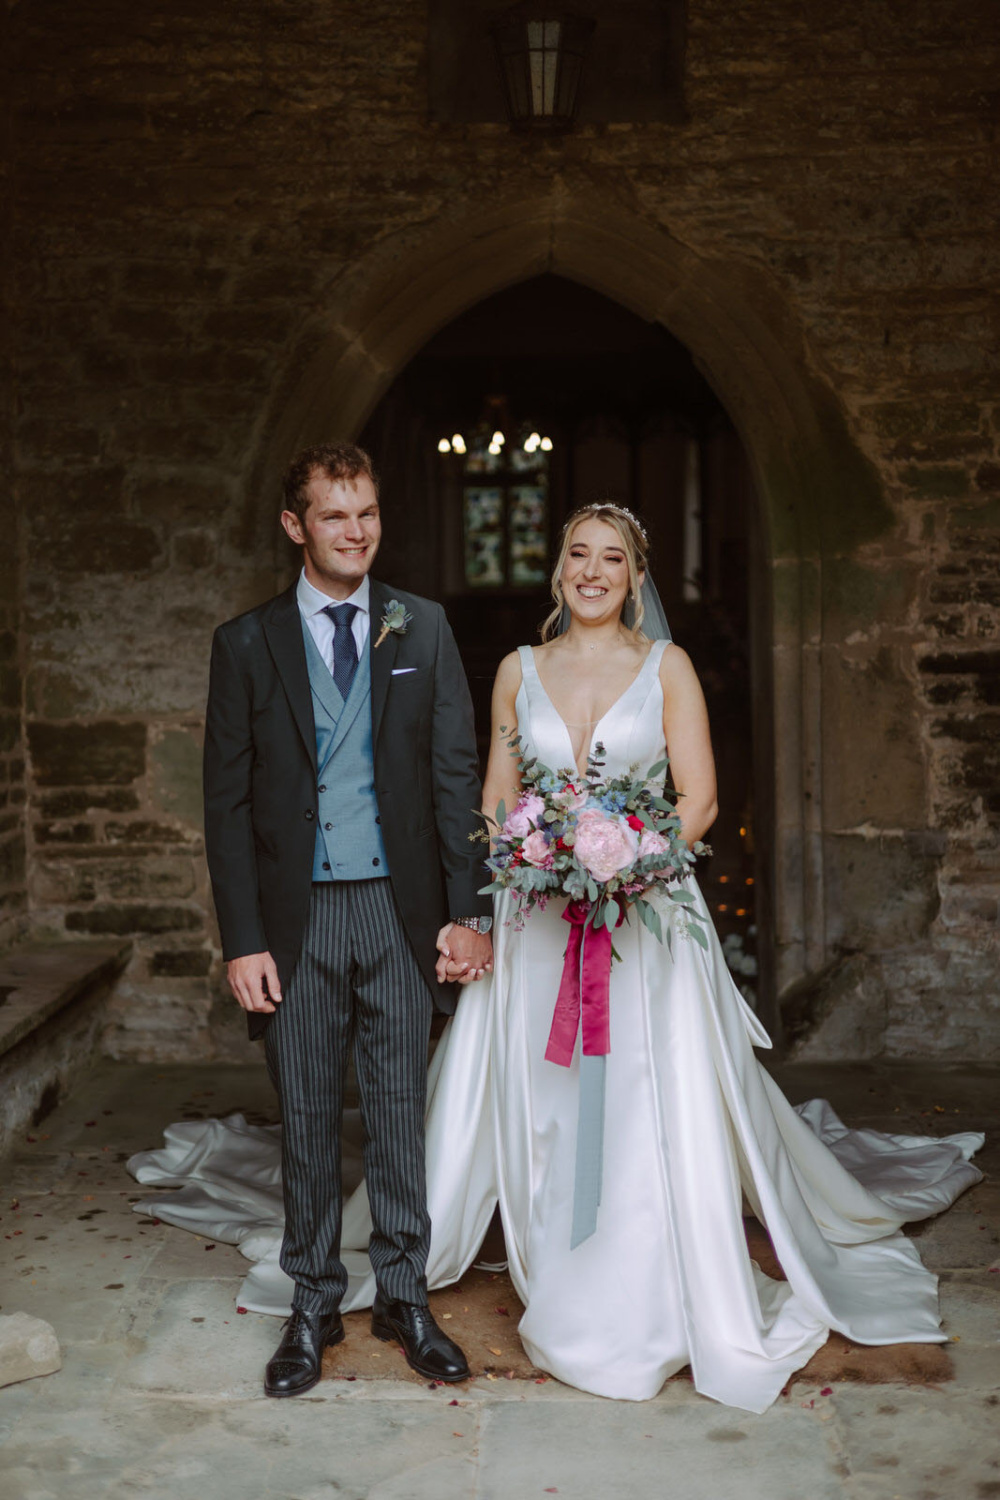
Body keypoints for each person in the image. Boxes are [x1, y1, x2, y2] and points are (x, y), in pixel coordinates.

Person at [133, 501, 983, 1414]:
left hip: (642, 916)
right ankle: (526, 1247)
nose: (591, 571)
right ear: (559, 569)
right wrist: (529, 859)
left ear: (635, 574)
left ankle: (637, 1263)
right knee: (538, 1092)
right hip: (538, 917)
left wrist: (627, 861)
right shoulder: (514, 671)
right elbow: (490, 794)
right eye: (578, 554)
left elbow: (697, 800)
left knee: (640, 1090)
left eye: (610, 558)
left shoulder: (669, 668)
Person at [200, 442, 493, 1397]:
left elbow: (456, 780)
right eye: (335, 516)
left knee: (403, 1107)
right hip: (294, 921)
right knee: (309, 1112)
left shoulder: (427, 629)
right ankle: (313, 1302)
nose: (356, 532)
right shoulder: (246, 645)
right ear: (296, 526)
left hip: (399, 912)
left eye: (366, 513)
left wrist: (467, 912)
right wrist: (242, 937)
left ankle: (405, 1294)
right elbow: (228, 803)